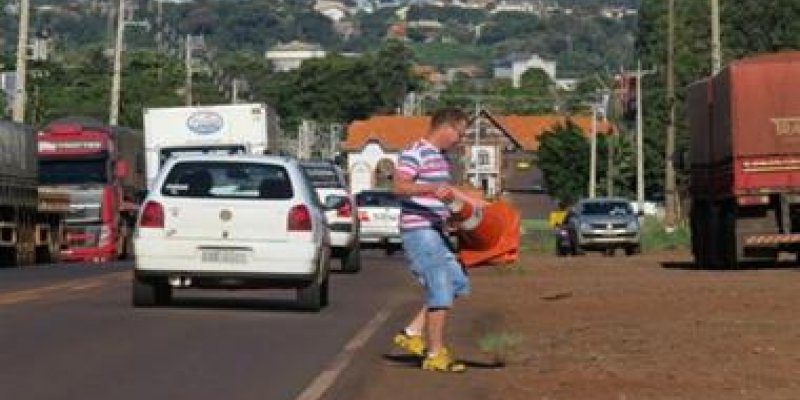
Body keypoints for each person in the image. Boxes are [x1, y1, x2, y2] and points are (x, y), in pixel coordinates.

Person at [392, 107, 470, 373]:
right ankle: (435, 353)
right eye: (459, 133)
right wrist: (431, 190)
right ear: (446, 128)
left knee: (457, 282)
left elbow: (449, 192)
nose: (460, 140)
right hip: (419, 230)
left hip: (436, 230)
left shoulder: (440, 158)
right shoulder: (415, 152)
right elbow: (399, 187)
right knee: (440, 286)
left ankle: (413, 332)